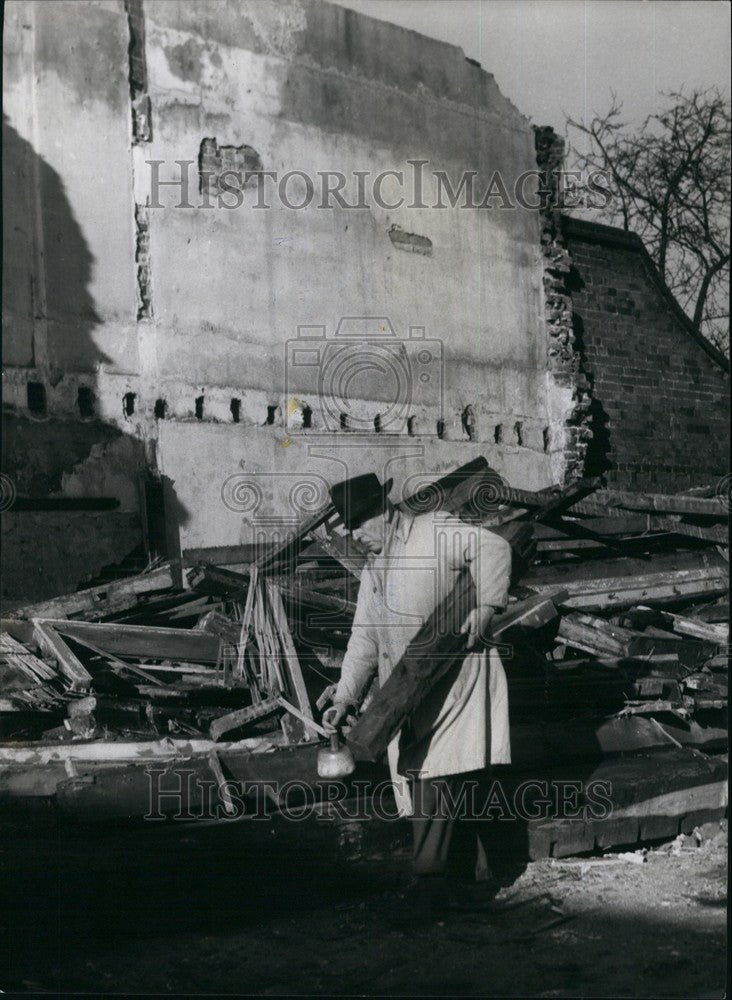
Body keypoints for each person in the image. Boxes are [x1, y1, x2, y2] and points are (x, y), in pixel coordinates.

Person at [322, 472, 514, 917]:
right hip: (412, 690)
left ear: (385, 512)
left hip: (457, 681)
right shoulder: (374, 570)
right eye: (350, 527)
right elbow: (363, 640)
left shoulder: (434, 532)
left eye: (360, 523)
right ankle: (474, 880)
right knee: (444, 782)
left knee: (433, 777)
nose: (355, 535)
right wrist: (344, 698)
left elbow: (495, 547)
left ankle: (429, 887)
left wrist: (486, 606)